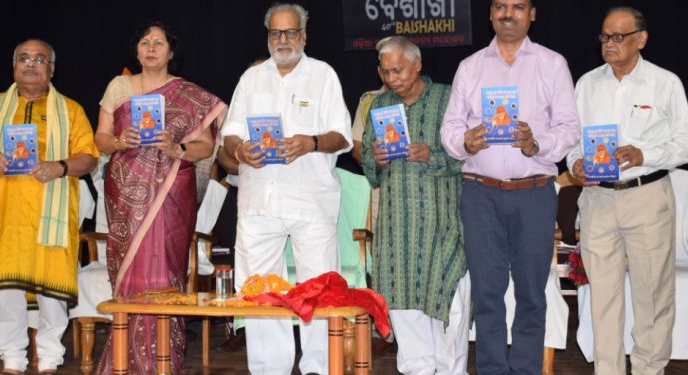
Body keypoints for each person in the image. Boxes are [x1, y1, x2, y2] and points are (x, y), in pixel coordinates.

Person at [440, 0, 580, 373]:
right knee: (487, 294)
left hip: (534, 192)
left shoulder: (553, 64)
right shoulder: (469, 68)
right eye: (500, 5)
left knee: (532, 294)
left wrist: (537, 145)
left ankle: (525, 369)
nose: (508, 13)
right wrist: (464, 143)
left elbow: (569, 129)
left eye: (518, 6)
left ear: (532, 14)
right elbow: (449, 129)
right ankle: (490, 369)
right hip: (480, 193)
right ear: (489, 14)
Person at [566, 7, 688, 374]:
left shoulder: (664, 82)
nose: (609, 44)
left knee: (653, 296)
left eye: (618, 37)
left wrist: (645, 154)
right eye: (605, 37)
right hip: (598, 199)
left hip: (647, 195)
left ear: (641, 39)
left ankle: (648, 370)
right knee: (602, 298)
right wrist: (576, 163)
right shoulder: (587, 84)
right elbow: (572, 142)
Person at [221, 3, 352, 373]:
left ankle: (317, 368)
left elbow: (341, 135)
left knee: (318, 288)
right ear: (268, 37)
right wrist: (240, 150)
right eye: (276, 33)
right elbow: (229, 135)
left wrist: (309, 142)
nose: (283, 40)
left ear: (304, 35)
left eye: (290, 32)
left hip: (311, 199)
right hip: (259, 199)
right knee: (261, 290)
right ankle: (269, 368)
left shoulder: (323, 75)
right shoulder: (251, 79)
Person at [94, 21, 227, 374]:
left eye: (159, 42)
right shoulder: (119, 86)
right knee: (128, 272)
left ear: (171, 52)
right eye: (144, 42)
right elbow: (101, 138)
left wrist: (176, 146)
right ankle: (124, 359)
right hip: (126, 192)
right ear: (136, 50)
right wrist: (121, 142)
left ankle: (163, 359)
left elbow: (206, 146)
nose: (151, 47)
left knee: (167, 270)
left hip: (171, 192)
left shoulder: (189, 94)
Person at [0, 38, 98, 374]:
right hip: (5, 218)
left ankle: (50, 358)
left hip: (50, 217)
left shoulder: (71, 110)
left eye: (39, 59)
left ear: (51, 69)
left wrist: (60, 167)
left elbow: (89, 158)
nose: (31, 64)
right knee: (7, 289)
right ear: (13, 66)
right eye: (24, 58)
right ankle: (13, 358)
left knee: (52, 291)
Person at [362, 36, 470, 375]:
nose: (393, 78)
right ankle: (418, 369)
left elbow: (472, 155)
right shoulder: (379, 107)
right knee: (402, 300)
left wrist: (432, 154)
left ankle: (451, 370)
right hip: (397, 228)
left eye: (399, 70)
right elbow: (368, 163)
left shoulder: (449, 98)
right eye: (386, 72)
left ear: (418, 65)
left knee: (449, 296)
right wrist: (376, 160)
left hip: (442, 224)